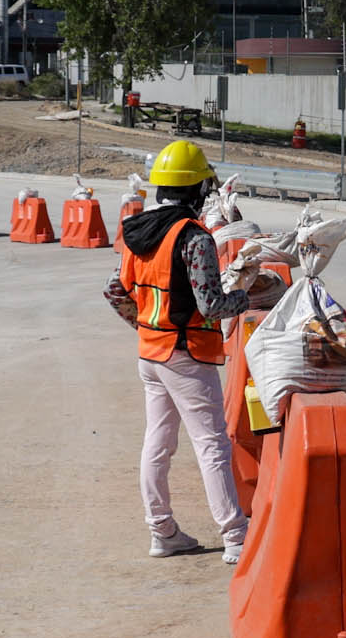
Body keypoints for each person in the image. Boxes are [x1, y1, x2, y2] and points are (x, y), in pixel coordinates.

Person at [112, 140, 275, 563]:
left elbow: (116, 290)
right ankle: (236, 537)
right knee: (212, 445)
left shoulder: (135, 231)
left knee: (158, 442)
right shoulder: (193, 237)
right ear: (196, 190)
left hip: (151, 352)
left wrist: (148, 325)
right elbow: (212, 305)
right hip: (185, 355)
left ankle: (162, 531)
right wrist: (247, 295)